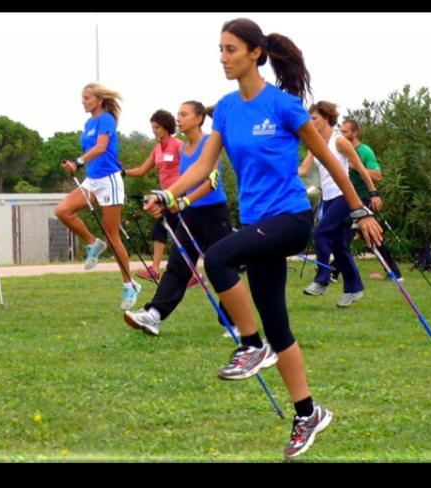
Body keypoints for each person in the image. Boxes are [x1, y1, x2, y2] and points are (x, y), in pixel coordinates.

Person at [142, 18, 381, 458]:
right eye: (219, 49)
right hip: (256, 224)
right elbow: (202, 168)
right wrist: (167, 192)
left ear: (255, 53)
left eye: (230, 49)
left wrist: (360, 208)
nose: (222, 58)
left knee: (217, 258)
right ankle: (308, 411)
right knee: (279, 324)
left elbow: (328, 160)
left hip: (290, 218)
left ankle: (251, 346)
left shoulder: (284, 106)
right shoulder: (228, 109)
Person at [123, 101, 231, 336]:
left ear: (199, 118)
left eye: (184, 114)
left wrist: (183, 201)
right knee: (177, 265)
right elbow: (184, 182)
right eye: (178, 114)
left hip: (214, 213)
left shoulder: (210, 144)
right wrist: (168, 201)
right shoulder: (183, 150)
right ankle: (155, 314)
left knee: (220, 267)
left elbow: (211, 182)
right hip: (191, 214)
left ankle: (233, 321)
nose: (179, 119)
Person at [55, 83, 143, 311]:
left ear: (99, 100)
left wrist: (79, 162)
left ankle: (129, 284)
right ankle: (93, 243)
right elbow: (91, 152)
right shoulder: (88, 123)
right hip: (92, 181)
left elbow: (102, 148)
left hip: (110, 182)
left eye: (87, 98)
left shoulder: (106, 119)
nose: (83, 101)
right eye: (82, 98)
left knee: (113, 236)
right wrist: (76, 165)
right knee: (63, 211)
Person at [298, 102, 381, 307]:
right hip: (328, 198)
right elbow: (303, 171)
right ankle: (354, 288)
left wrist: (373, 193)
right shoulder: (314, 143)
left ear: (326, 118)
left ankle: (322, 279)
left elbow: (360, 168)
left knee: (320, 234)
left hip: (344, 197)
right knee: (339, 245)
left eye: (314, 118)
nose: (311, 122)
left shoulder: (339, 141)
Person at [124, 109, 183, 283]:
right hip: (164, 196)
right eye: (152, 127)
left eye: (157, 127)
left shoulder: (178, 145)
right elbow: (142, 170)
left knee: (180, 231)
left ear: (166, 127)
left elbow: (192, 168)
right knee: (162, 229)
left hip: (180, 194)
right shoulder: (157, 148)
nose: (154, 131)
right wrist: (122, 172)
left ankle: (189, 272)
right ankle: (156, 269)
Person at [340, 118, 401, 281]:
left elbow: (377, 175)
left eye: (345, 131)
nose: (342, 134)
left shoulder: (364, 151)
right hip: (345, 198)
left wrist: (356, 167)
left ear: (355, 133)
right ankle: (332, 271)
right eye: (341, 131)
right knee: (343, 234)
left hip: (362, 199)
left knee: (369, 236)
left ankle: (394, 271)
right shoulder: (341, 149)